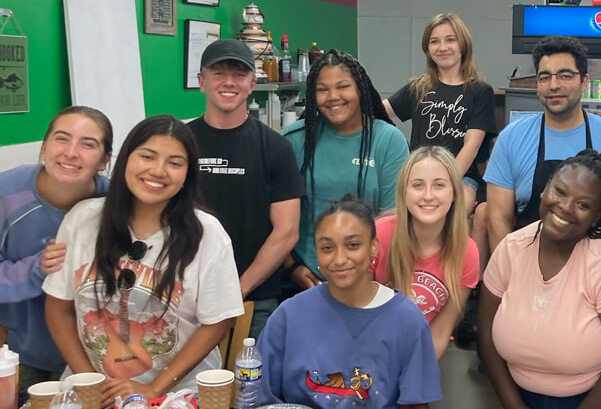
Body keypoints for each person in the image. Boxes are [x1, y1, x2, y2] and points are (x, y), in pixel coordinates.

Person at [43, 115, 244, 405]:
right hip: (92, 389)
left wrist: (155, 388)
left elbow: (218, 322)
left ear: (188, 174)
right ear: (125, 158)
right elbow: (57, 309)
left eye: (175, 163)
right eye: (147, 156)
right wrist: (90, 382)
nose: (158, 171)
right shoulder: (83, 219)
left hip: (175, 393)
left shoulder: (208, 234)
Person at [479, 150, 601, 409]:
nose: (565, 207)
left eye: (583, 204)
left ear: (597, 216)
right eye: (560, 192)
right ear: (544, 189)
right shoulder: (511, 249)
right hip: (524, 397)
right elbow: (486, 335)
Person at [257, 194, 442, 409]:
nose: (340, 259)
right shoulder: (289, 315)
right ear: (316, 254)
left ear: (373, 247)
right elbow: (260, 397)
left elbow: (416, 404)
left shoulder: (407, 320)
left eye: (352, 245)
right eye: (327, 248)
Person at [188, 38, 302, 338]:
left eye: (239, 75)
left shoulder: (276, 148)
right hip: (184, 297)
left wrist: (237, 288)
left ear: (252, 84)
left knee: (251, 385)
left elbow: (286, 231)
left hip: (254, 300)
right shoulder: (179, 143)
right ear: (201, 82)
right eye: (218, 73)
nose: (229, 82)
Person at [0, 106, 112, 403]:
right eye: (62, 139)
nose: (71, 152)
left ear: (104, 160)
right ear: (44, 147)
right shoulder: (6, 192)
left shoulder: (116, 203)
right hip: (23, 352)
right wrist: (35, 268)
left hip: (98, 356)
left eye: (88, 144)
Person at [482, 35, 601, 254]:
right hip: (530, 268)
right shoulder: (511, 139)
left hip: (597, 273)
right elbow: (497, 221)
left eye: (565, 75)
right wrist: (514, 276)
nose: (554, 85)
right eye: (544, 77)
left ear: (584, 81)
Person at [282, 49, 408, 289]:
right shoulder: (294, 139)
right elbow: (274, 216)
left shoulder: (388, 140)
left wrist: (368, 279)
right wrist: (292, 268)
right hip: (302, 281)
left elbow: (394, 220)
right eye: (322, 89)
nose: (333, 97)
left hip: (370, 280)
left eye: (342, 86)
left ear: (360, 89)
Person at [383, 13, 497, 215]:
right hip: (417, 174)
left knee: (455, 212)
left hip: (461, 177)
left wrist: (444, 181)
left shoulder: (480, 91)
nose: (442, 47)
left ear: (463, 44)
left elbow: (472, 145)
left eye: (450, 40)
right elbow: (378, 112)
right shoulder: (418, 87)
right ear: (427, 48)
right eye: (434, 41)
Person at [372, 146, 479, 359]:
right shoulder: (378, 235)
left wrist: (415, 380)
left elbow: (439, 333)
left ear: (455, 193)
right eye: (418, 185)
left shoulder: (467, 252)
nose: (428, 196)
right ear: (403, 192)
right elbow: (355, 318)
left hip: (416, 359)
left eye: (439, 185)